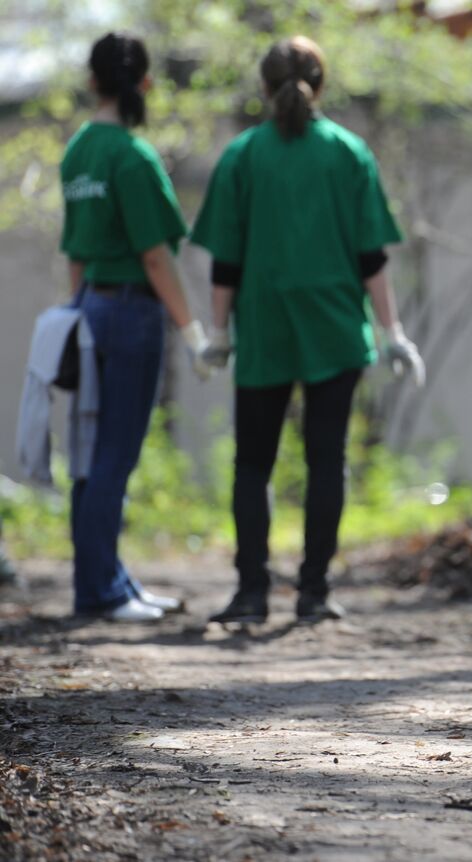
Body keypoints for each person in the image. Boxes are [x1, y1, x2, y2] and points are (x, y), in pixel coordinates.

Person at [191, 36, 424, 625]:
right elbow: (371, 257)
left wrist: (218, 333)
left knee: (253, 464)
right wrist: (392, 331)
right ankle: (314, 593)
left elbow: (227, 262)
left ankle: (250, 594)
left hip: (266, 328)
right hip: (334, 331)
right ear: (320, 86)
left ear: (264, 88)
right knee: (326, 461)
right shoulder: (348, 153)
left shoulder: (243, 156)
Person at [59, 32, 209, 623]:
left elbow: (74, 250)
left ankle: (106, 579)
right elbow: (155, 256)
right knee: (115, 455)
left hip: (90, 307)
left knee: (90, 453)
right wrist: (192, 330)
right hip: (131, 313)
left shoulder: (77, 153)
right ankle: (101, 591)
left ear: (93, 81)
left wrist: (75, 314)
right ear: (142, 84)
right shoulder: (132, 155)